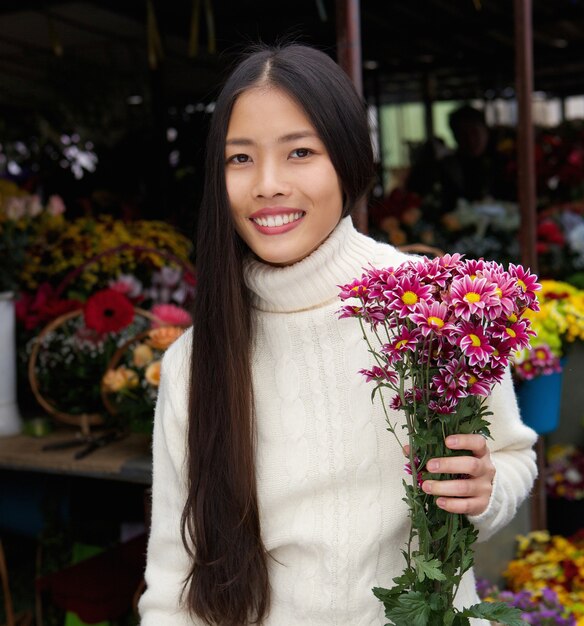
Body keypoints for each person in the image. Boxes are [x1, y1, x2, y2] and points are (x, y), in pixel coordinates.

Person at [138, 44, 537, 625]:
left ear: (348, 160)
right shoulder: (195, 361)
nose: (268, 185)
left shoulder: (432, 309)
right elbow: (175, 580)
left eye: (299, 152)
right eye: (240, 159)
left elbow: (512, 454)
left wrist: (485, 487)